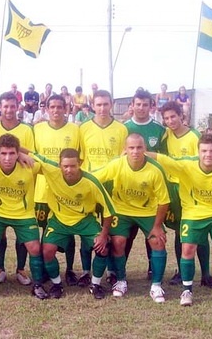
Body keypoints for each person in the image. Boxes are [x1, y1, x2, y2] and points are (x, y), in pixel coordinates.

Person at [151, 134, 212, 308]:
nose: (208, 155)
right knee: (187, 248)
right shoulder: (187, 165)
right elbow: (164, 159)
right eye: (204, 151)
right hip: (193, 214)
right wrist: (139, 153)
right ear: (198, 151)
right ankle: (186, 290)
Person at [93, 134, 170, 303]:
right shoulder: (117, 164)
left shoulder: (155, 169)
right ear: (125, 150)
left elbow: (163, 202)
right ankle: (120, 280)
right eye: (131, 148)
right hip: (121, 210)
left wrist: (157, 226)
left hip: (147, 211)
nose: (135, 151)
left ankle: (156, 285)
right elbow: (94, 179)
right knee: (118, 241)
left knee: (158, 240)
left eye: (139, 147)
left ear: (145, 149)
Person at [34, 148, 114, 299]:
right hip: (59, 220)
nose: (69, 170)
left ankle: (95, 285)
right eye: (65, 166)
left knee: (102, 248)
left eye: (73, 166)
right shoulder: (52, 172)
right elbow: (32, 154)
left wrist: (104, 235)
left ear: (80, 164)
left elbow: (109, 210)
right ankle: (57, 284)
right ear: (59, 165)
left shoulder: (91, 181)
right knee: (47, 250)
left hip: (85, 220)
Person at [0, 134, 48, 299]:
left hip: (23, 214)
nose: (7, 158)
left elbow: (45, 162)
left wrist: (25, 153)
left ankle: (37, 285)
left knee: (35, 248)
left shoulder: (29, 165)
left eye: (12, 153)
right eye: (3, 153)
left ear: (17, 154)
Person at [159, 101, 212, 288]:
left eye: (173, 116)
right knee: (180, 230)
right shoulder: (166, 135)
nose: (170, 121)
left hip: (191, 188)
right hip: (174, 188)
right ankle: (182, 272)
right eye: (166, 118)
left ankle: (206, 274)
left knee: (200, 228)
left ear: (181, 116)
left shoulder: (194, 136)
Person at [79, 89, 128, 286]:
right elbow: (80, 157)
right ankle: (85, 270)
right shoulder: (83, 128)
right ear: (92, 105)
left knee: (110, 230)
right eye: (98, 104)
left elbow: (123, 158)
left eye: (105, 104)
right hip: (90, 184)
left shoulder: (121, 129)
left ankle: (110, 271)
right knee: (87, 228)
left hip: (111, 186)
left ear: (112, 104)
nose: (102, 108)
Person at [33, 95, 80, 286]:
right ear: (46, 108)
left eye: (59, 107)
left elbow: (79, 159)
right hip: (43, 190)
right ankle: (46, 268)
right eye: (52, 106)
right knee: (45, 231)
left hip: (65, 191)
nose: (56, 110)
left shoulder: (75, 130)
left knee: (69, 230)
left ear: (65, 108)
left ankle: (70, 270)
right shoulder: (37, 129)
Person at [0, 92, 36, 285]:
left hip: (21, 188)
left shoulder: (26, 129)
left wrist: (21, 153)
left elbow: (32, 154)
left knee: (22, 234)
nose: (9, 110)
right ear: (0, 107)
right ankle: (0, 268)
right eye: (5, 106)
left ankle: (21, 269)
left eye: (12, 106)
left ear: (18, 107)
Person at [123, 89, 166, 279]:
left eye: (145, 104)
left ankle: (152, 268)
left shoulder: (159, 129)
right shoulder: (124, 128)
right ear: (132, 105)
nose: (141, 108)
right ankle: (119, 270)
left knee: (153, 234)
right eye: (137, 104)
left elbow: (166, 158)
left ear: (151, 106)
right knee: (127, 234)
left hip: (152, 191)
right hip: (128, 190)